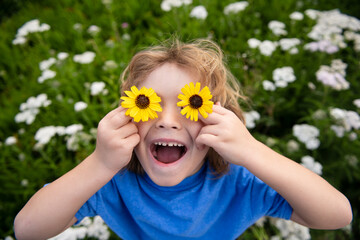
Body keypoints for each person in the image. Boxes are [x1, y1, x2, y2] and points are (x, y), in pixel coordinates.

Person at [14, 39, 352, 240]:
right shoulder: (112, 180)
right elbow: (28, 230)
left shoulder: (239, 182)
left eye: (191, 104)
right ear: (129, 117)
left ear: (221, 123)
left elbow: (337, 215)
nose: (167, 121)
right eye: (149, 103)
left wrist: (251, 151)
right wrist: (99, 163)